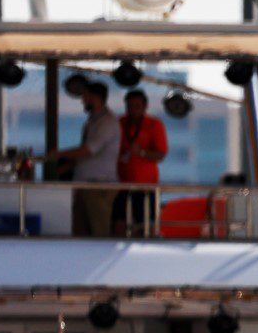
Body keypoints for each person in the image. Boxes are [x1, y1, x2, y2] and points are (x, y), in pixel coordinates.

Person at [48, 82, 122, 236]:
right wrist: (68, 166)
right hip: (83, 184)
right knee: (79, 231)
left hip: (99, 185)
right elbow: (85, 153)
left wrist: (59, 154)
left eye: (85, 97)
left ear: (95, 97)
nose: (82, 101)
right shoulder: (91, 122)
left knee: (99, 232)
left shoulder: (107, 123)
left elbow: (89, 150)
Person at [115, 89, 169, 235]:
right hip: (121, 185)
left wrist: (142, 153)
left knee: (145, 226)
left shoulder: (154, 124)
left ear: (145, 106)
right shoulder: (119, 123)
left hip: (146, 186)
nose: (132, 110)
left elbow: (161, 154)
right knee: (118, 222)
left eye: (136, 106)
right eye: (129, 106)